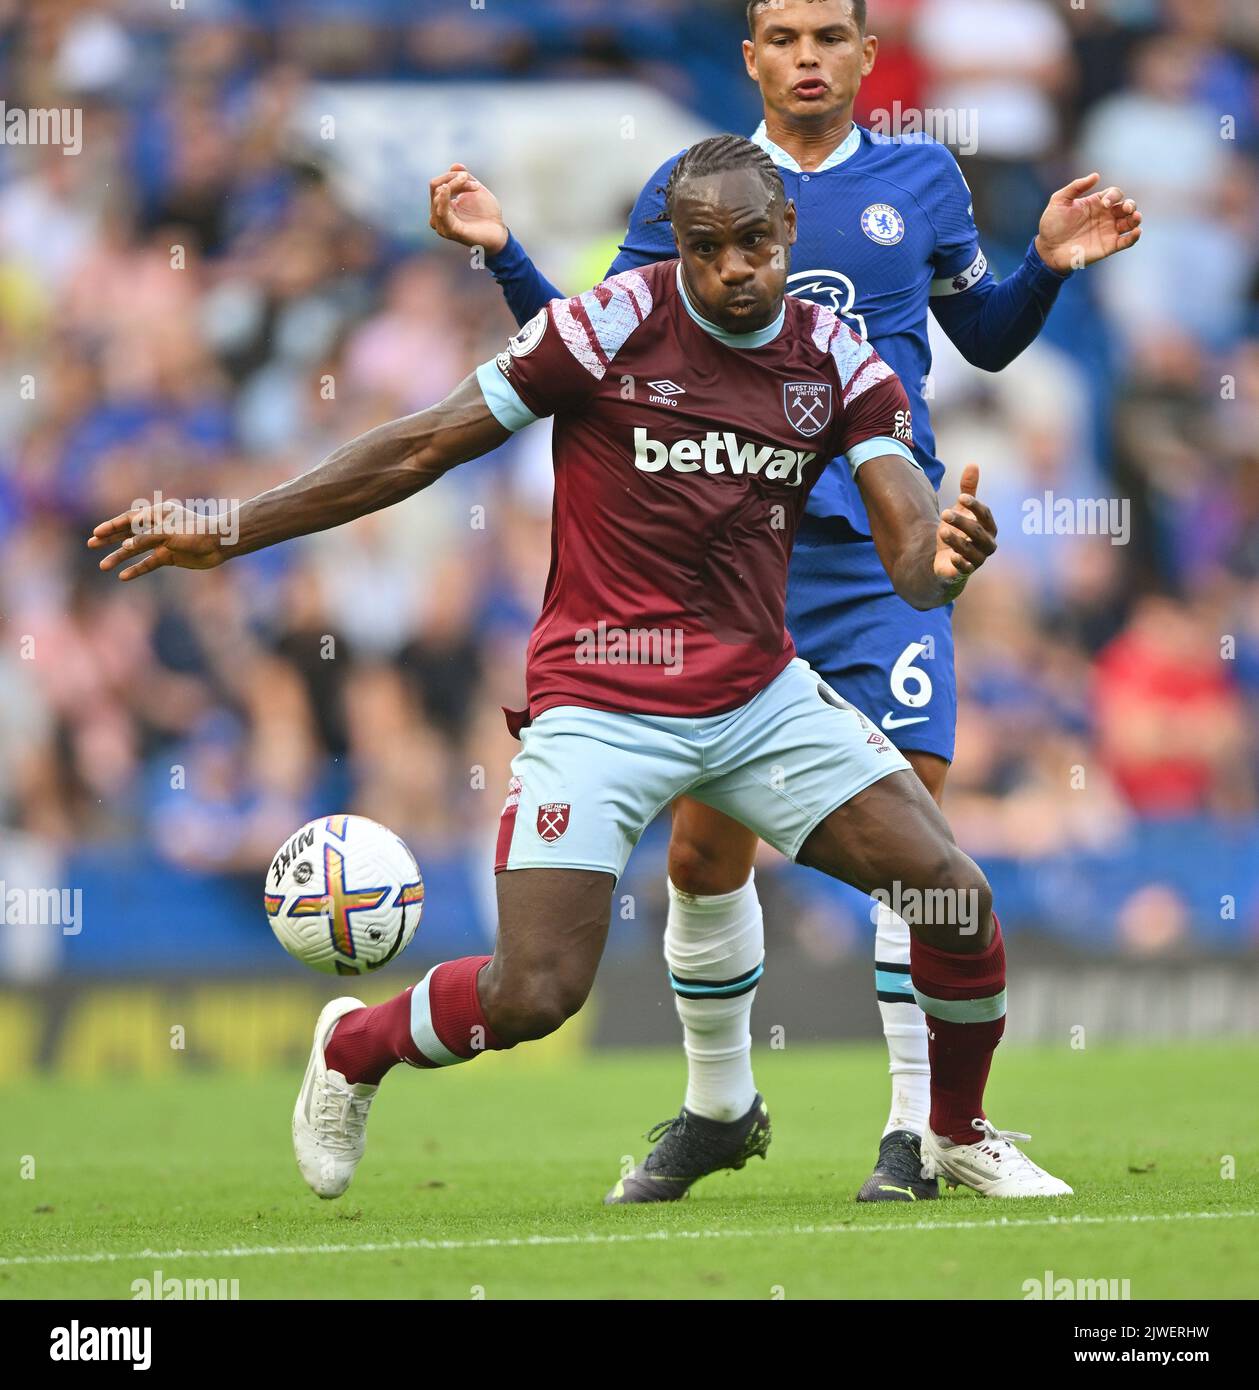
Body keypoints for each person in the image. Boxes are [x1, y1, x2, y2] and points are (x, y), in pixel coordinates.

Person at [91, 135, 1068, 1203]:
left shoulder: (836, 356)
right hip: (600, 700)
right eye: (705, 248)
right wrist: (232, 525)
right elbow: (423, 444)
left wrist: (943, 560)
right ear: (674, 248)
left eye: (751, 241)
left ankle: (953, 1130)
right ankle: (356, 1045)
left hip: (754, 695)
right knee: (534, 995)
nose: (732, 266)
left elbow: (909, 559)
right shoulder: (604, 327)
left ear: (786, 232)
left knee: (950, 899)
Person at [428, 0, 1141, 1202]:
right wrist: (505, 255)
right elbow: (597, 346)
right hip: (729, 553)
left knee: (912, 838)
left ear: (867, 53)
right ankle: (717, 1105)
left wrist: (1045, 272)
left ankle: (920, 1134)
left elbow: (985, 339)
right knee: (707, 856)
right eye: (782, 37)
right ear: (749, 56)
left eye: (828, 35)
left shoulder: (922, 180)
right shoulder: (695, 189)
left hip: (882, 547)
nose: (806, 57)